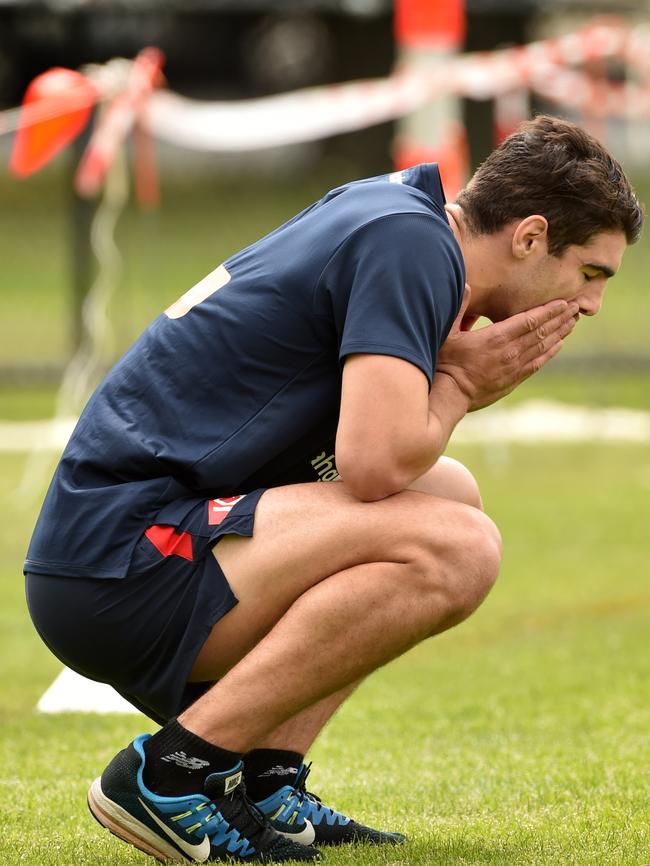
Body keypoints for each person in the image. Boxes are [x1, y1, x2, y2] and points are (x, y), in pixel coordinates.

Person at [25, 115, 642, 863]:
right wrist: (459, 386)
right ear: (530, 236)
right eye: (591, 274)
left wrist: (446, 378)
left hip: (128, 543)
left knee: (451, 498)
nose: (591, 305)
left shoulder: (399, 213)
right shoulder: (411, 246)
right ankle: (170, 775)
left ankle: (266, 782)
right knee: (460, 548)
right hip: (118, 560)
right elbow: (374, 464)